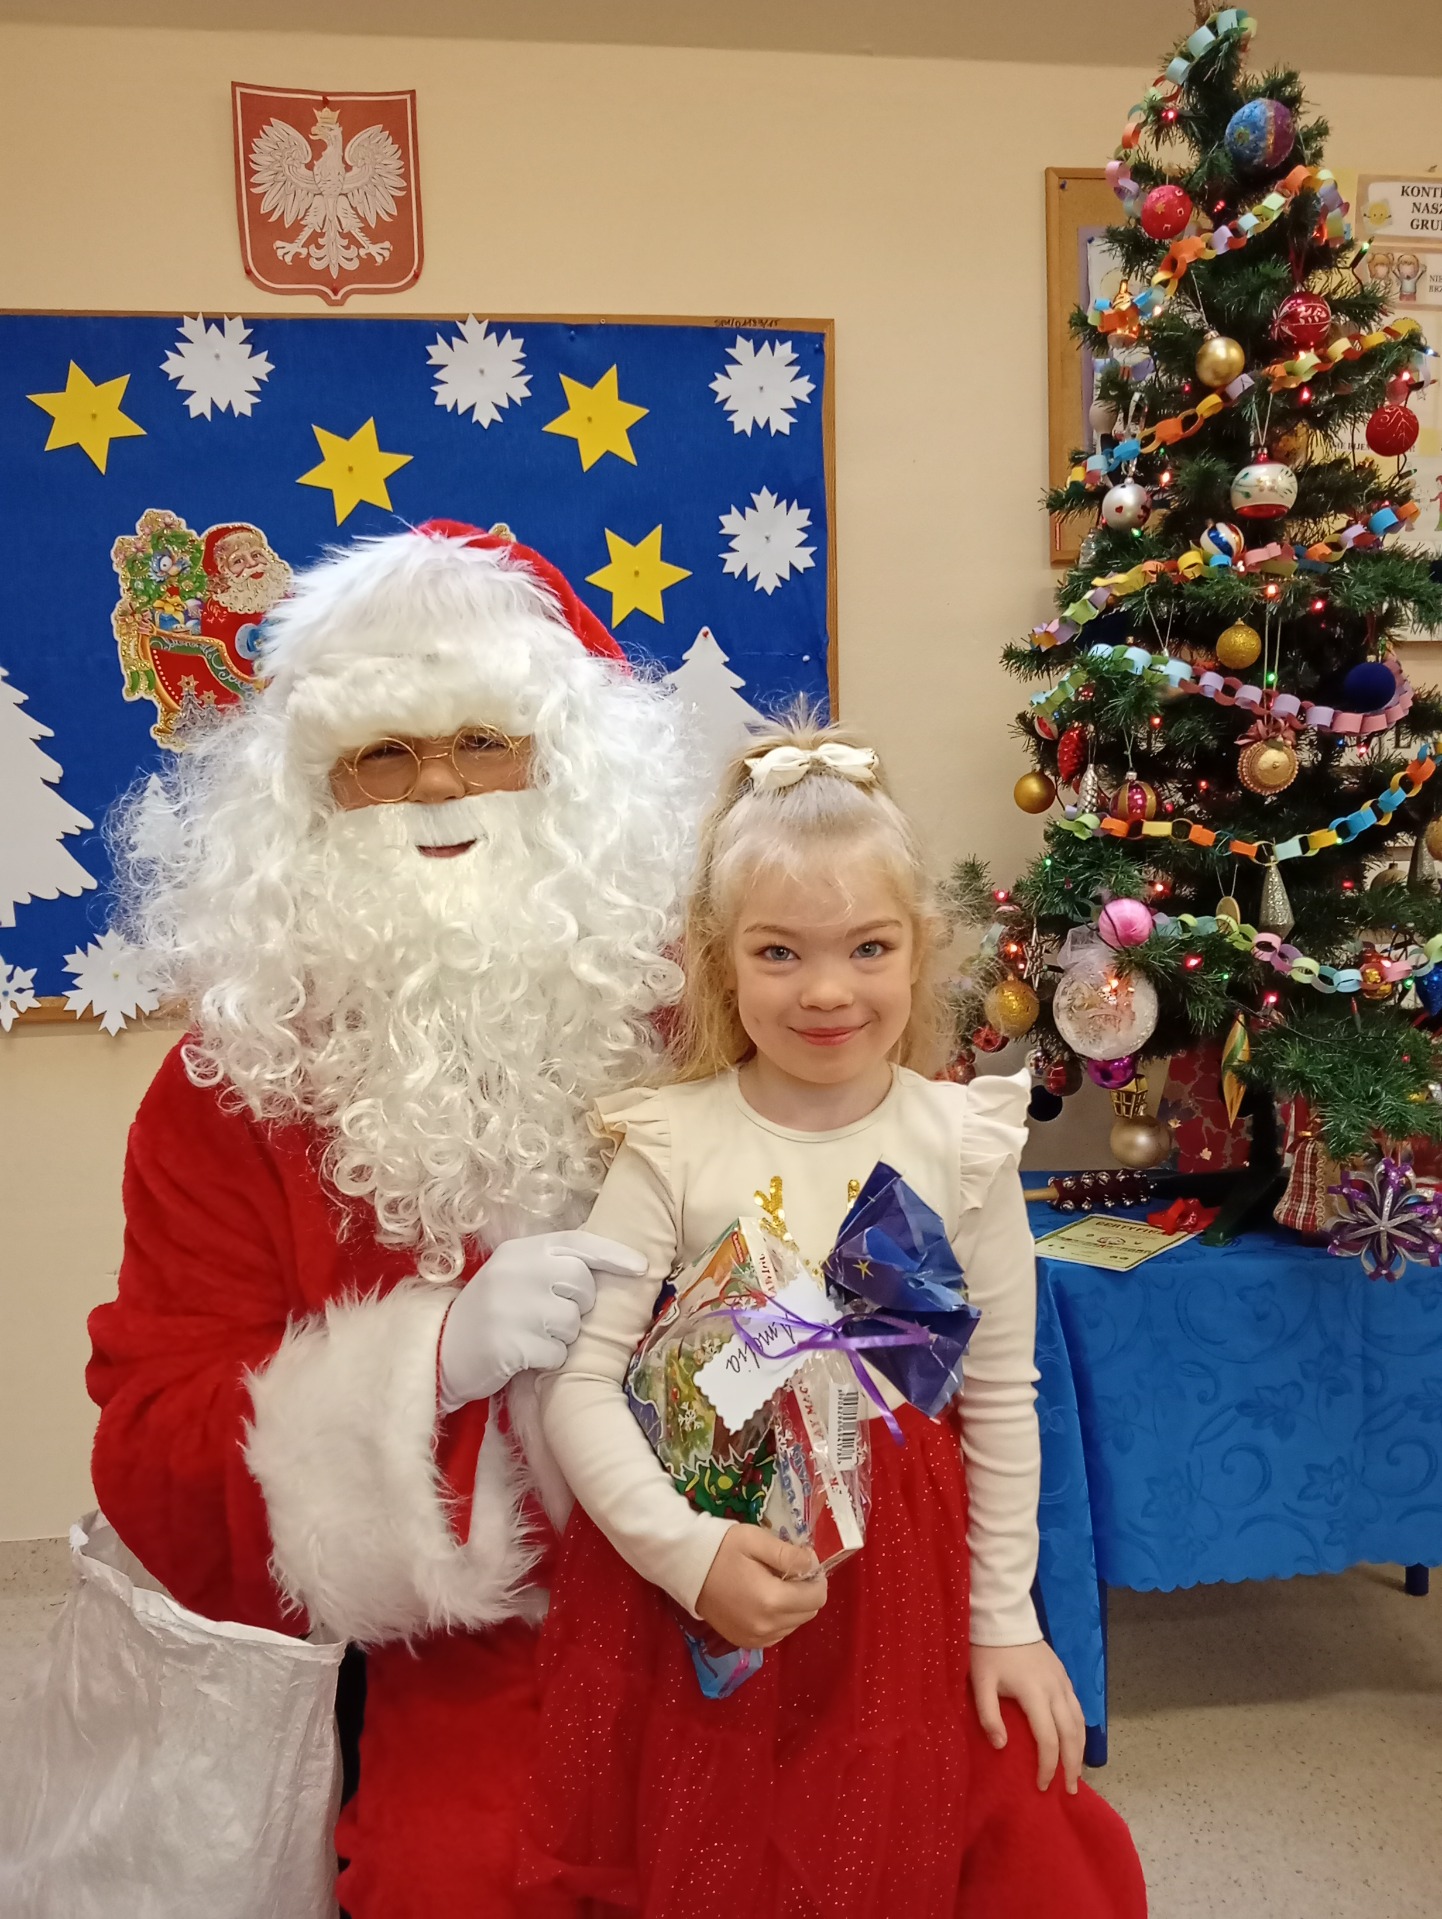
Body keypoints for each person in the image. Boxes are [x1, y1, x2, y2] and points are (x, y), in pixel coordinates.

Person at [86, 520, 695, 1918]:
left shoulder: (705, 1006)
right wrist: (422, 1365)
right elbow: (153, 1442)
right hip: (463, 1647)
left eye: (484, 741)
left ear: (571, 765)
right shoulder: (231, 1086)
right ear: (310, 800)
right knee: (462, 1875)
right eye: (381, 755)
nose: (436, 787)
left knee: (988, 1835)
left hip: (723, 1583)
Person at [520, 718, 1148, 1917]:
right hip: (705, 1552)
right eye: (778, 952)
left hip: (896, 1583)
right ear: (719, 961)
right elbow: (580, 1386)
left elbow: (999, 1396)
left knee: (886, 1830)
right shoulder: (669, 1141)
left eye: (867, 946)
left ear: (920, 948)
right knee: (720, 1846)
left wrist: (1002, 1622)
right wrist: (688, 1555)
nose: (825, 990)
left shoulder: (961, 1144)